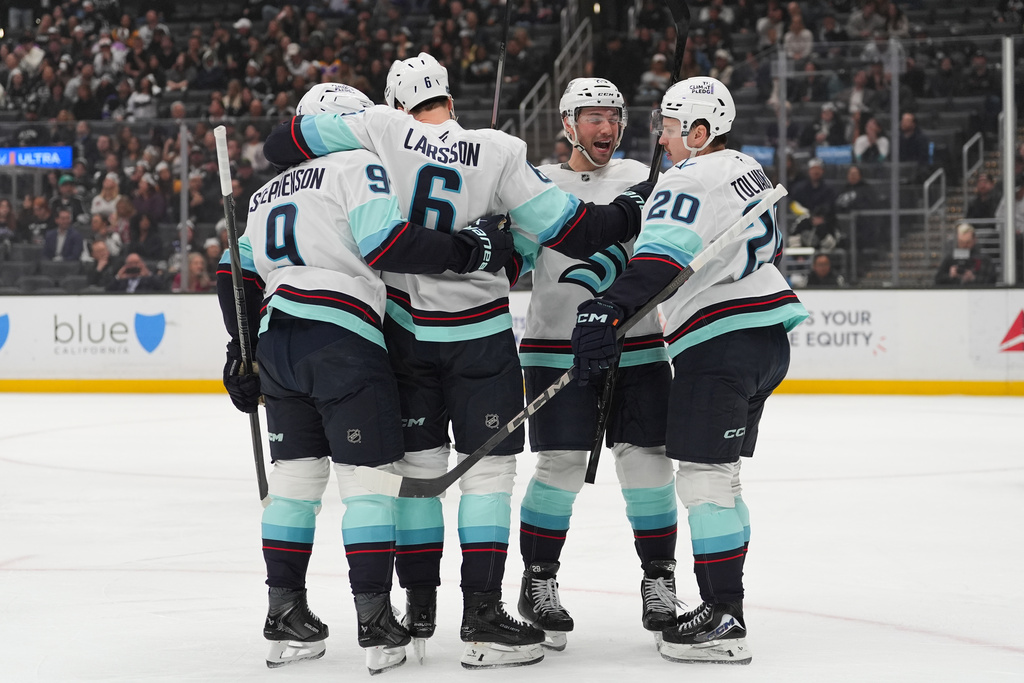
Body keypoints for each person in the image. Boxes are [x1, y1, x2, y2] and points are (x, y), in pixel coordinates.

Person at [261, 53, 652, 670]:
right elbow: (577, 233)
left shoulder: (378, 132)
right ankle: (483, 619)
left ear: (393, 101)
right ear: (449, 96)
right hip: (480, 336)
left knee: (417, 471)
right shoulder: (498, 148)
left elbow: (278, 144)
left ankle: (417, 613)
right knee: (488, 478)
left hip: (402, 331)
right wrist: (634, 206)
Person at [219, 83, 518, 674]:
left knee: (295, 481)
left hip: (279, 342)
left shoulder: (265, 192)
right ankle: (377, 621)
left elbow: (236, 275)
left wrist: (242, 349)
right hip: (343, 340)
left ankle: (286, 613)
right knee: (371, 482)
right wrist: (472, 251)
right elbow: (389, 242)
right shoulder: (358, 165)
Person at [570, 76, 808, 665]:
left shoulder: (691, 176)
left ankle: (726, 615)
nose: (664, 140)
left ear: (700, 133)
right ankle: (723, 602)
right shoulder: (747, 168)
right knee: (721, 478)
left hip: (720, 343)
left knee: (704, 479)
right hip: (765, 338)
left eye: (672, 129)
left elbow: (661, 258)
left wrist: (609, 307)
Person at [515, 78, 677, 651]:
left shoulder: (645, 179)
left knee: (649, 465)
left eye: (614, 117)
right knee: (558, 466)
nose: (606, 128)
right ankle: (537, 583)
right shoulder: (538, 183)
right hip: (556, 344)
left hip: (637, 345)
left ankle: (659, 580)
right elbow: (512, 262)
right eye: (593, 117)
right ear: (566, 123)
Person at [934, 222, 996, 286]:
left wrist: (973, 279)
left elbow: (991, 282)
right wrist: (950, 276)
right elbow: (937, 280)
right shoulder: (950, 258)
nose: (964, 246)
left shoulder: (984, 260)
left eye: (968, 242)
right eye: (961, 242)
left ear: (975, 240)